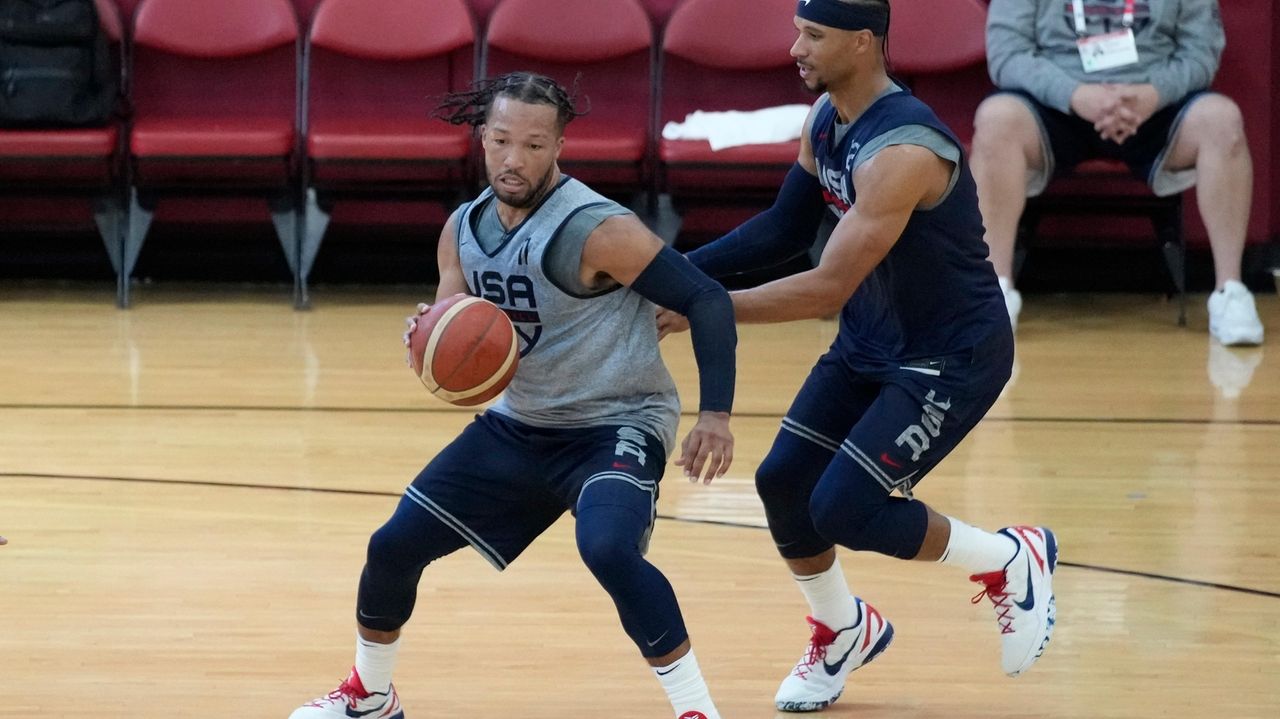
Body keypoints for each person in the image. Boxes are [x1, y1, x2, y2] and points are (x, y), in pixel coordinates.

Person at [289, 72, 738, 719]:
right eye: (501, 140)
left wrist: (715, 414)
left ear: (559, 146)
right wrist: (430, 335)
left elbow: (706, 296)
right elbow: (453, 316)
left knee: (607, 547)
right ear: (482, 138)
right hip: (519, 424)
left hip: (614, 423)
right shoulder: (462, 229)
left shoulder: (597, 227)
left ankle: (696, 709)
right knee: (392, 546)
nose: (514, 159)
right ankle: (371, 693)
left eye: (533, 145)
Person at [658, 0, 1056, 712]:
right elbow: (783, 228)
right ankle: (843, 629)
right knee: (783, 482)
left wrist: (701, 307)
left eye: (813, 36)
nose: (794, 49)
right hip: (872, 337)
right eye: (797, 31)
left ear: (865, 43)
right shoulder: (825, 119)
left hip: (948, 355)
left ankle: (1009, 558)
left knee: (844, 505)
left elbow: (824, 287)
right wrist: (675, 272)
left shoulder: (904, 151)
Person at [970, 0, 1264, 345]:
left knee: (1222, 120)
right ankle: (992, 295)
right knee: (995, 120)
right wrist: (1075, 95)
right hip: (1055, 99)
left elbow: (1201, 51)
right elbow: (1008, 54)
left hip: (1153, 101)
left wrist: (1153, 95)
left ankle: (1231, 290)